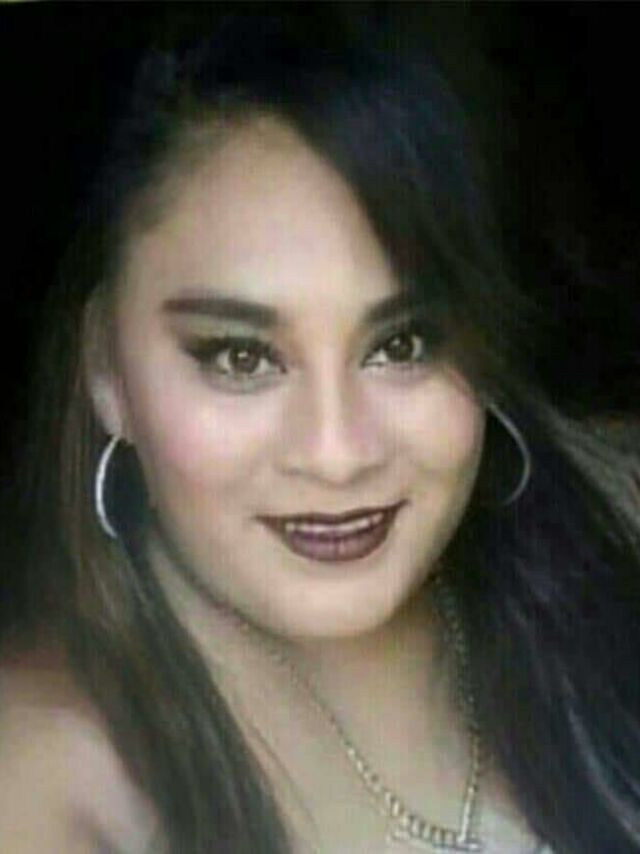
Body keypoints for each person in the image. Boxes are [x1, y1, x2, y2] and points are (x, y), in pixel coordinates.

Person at [1, 8, 639, 853]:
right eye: (241, 358)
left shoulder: (611, 533)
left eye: (403, 345)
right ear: (107, 371)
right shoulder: (43, 774)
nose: (338, 455)